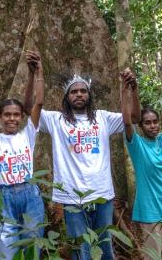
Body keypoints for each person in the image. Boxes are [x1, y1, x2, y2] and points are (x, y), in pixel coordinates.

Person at [35, 70, 140, 260]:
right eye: (74, 92)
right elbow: (30, 108)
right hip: (72, 196)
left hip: (102, 195)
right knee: (79, 248)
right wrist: (37, 73)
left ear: (89, 95)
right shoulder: (56, 120)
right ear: (67, 97)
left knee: (104, 244)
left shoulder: (102, 118)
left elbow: (134, 117)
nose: (79, 94)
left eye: (83, 91)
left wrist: (132, 89)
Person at [121, 70, 162, 259]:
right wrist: (127, 89)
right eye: (148, 123)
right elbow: (127, 121)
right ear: (141, 126)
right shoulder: (137, 144)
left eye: (155, 122)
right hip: (150, 209)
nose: (153, 125)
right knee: (153, 256)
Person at [0, 51, 45, 259]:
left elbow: (38, 103)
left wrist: (36, 72)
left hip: (31, 195)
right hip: (5, 197)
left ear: (21, 117)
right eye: (7, 115)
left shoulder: (28, 134)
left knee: (33, 248)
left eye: (16, 114)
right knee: (6, 252)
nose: (12, 118)